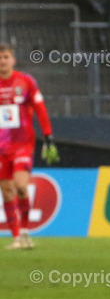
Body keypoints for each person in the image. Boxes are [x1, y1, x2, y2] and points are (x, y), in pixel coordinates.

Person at [0, 42, 58, 250]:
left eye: (6, 57)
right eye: (0, 58)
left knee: (21, 186)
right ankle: (16, 238)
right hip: (0, 148)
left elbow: (40, 109)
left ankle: (25, 232)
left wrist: (48, 135)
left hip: (22, 145)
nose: (3, 61)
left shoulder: (25, 82)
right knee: (6, 192)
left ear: (13, 60)